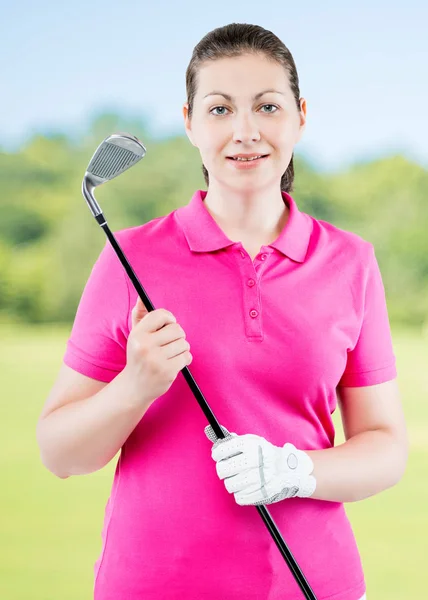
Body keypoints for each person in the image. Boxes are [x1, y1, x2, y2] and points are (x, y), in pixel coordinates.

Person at [36, 23, 408, 600]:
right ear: (188, 122)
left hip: (313, 584)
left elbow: (385, 447)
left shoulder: (350, 262)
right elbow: (59, 453)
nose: (245, 132)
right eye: (219, 109)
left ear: (300, 116)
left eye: (266, 106)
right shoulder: (129, 258)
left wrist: (296, 471)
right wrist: (136, 384)